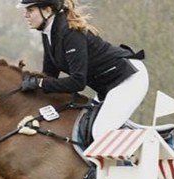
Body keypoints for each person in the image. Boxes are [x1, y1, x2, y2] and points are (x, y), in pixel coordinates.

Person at [17, 0, 148, 140]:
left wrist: (40, 83)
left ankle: (146, 147)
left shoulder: (70, 33)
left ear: (47, 11)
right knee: (86, 129)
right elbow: (49, 75)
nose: (26, 15)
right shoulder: (48, 33)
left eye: (30, 10)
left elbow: (77, 82)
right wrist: (27, 80)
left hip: (128, 78)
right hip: (108, 85)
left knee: (100, 133)